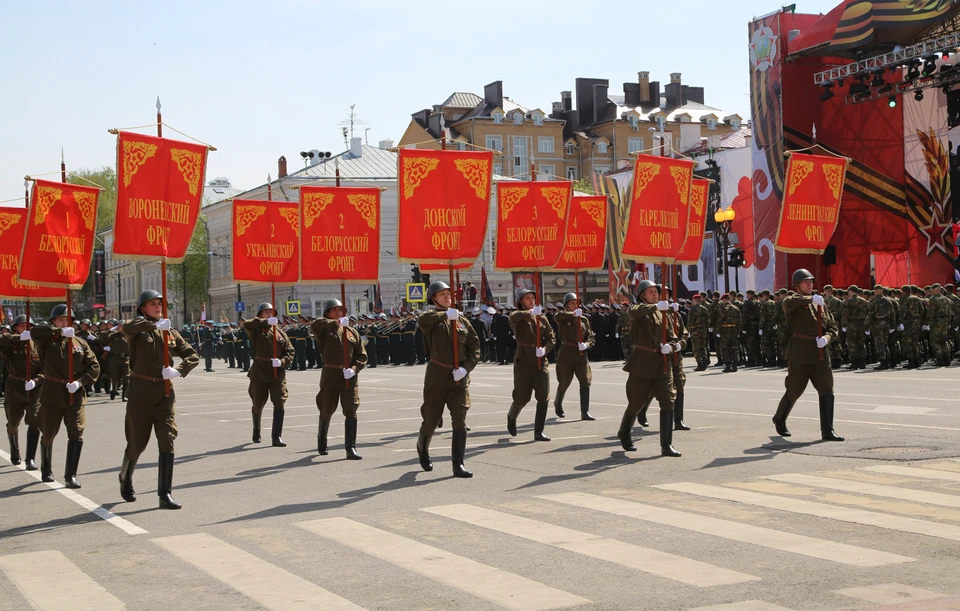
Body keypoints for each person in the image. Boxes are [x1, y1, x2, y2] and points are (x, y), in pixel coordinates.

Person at [118, 291, 200, 509]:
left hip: (164, 393)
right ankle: (125, 477)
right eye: (151, 304)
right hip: (140, 393)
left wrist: (178, 371)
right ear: (142, 309)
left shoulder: (170, 331)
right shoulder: (138, 329)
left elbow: (192, 355)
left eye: (159, 303)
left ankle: (165, 494)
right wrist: (154, 327)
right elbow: (128, 327)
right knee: (137, 443)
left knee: (167, 439)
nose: (156, 307)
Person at [29, 304, 100, 487]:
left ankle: (71, 475)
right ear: (53, 321)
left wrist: (80, 382)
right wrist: (59, 332)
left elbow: (94, 366)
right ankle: (46, 469)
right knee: (48, 433)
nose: (64, 322)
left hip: (74, 393)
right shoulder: (47, 340)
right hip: (52, 393)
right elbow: (35, 331)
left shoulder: (80, 343)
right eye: (60, 319)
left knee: (76, 432)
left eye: (68, 320)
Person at [416, 281, 481, 478]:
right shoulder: (431, 319)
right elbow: (423, 320)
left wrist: (465, 368)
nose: (447, 297)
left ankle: (457, 464)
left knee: (460, 420)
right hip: (437, 376)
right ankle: (422, 447)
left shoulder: (462, 322)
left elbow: (475, 349)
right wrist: (446, 315)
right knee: (431, 419)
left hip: (458, 378)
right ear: (433, 298)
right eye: (442, 294)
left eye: (448, 294)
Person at [772, 269, 843, 442]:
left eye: (811, 281)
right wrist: (811, 298)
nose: (809, 284)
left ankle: (827, 430)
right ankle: (779, 418)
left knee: (827, 388)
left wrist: (826, 338)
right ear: (796, 286)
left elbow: (833, 327)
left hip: (820, 353)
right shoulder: (792, 301)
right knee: (795, 389)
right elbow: (790, 302)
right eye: (805, 282)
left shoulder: (821, 304)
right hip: (800, 353)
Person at [618, 280, 681, 457]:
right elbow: (633, 313)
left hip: (662, 364)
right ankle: (624, 433)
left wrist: (672, 346)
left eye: (656, 291)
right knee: (636, 403)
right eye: (650, 291)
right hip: (642, 364)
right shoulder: (638, 310)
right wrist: (655, 307)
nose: (655, 294)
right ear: (642, 295)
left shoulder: (664, 314)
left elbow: (673, 336)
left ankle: (666, 445)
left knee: (668, 401)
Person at [311, 299, 367, 459]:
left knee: (351, 410)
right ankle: (322, 441)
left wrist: (354, 369)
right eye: (334, 310)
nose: (338, 313)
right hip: (331, 376)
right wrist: (333, 322)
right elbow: (315, 325)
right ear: (327, 313)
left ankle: (351, 448)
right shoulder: (324, 330)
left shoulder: (351, 332)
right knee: (326, 409)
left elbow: (362, 356)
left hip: (349, 376)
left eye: (340, 310)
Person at [506, 289, 557, 442]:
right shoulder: (519, 317)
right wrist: (529, 313)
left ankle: (539, 431)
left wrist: (545, 349)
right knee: (522, 397)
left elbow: (551, 338)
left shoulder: (542, 318)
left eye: (533, 298)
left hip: (540, 361)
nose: (531, 300)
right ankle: (512, 416)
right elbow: (512, 317)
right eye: (527, 298)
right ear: (521, 301)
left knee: (543, 396)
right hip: (524, 360)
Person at [244, 302, 296, 447]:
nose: (269, 314)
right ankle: (256, 430)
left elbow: (290, 351)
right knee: (258, 404)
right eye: (266, 313)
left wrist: (282, 361)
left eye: (271, 313)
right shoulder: (256, 329)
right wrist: (265, 322)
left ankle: (276, 436)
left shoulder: (281, 333)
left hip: (277, 373)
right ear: (260, 315)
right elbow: (247, 324)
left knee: (279, 402)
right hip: (260, 371)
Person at [1, 315, 42, 470]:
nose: (25, 329)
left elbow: (46, 369)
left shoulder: (39, 344)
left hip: (34, 388)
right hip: (14, 387)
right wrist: (17, 338)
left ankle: (30, 458)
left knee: (34, 420)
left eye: (28, 326)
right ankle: (14, 450)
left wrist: (36, 381)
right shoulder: (10, 344)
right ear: (16, 328)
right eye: (21, 326)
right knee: (12, 423)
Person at [552, 292, 595, 421]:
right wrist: (572, 314)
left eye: (576, 303)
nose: (575, 305)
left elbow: (591, 336)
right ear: (566, 305)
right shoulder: (563, 317)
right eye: (572, 303)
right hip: (566, 354)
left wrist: (587, 345)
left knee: (585, 381)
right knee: (564, 382)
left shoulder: (583, 319)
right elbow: (557, 316)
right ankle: (558, 402)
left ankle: (585, 412)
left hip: (581, 355)